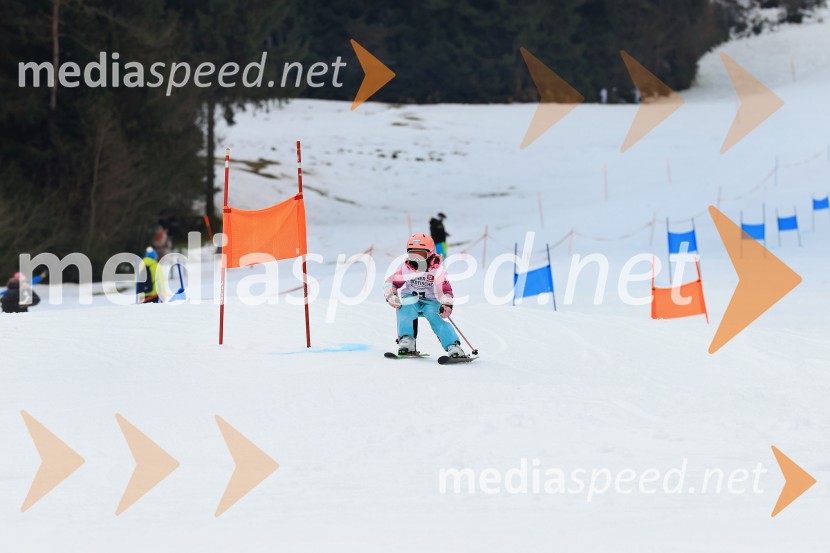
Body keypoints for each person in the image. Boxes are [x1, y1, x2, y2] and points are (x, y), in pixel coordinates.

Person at [384, 234, 467, 358]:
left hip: (431, 302)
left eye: (421, 254)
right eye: (413, 254)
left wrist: (446, 304)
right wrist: (391, 295)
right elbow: (392, 282)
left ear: (430, 253)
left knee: (436, 319)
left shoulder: (437, 270)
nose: (416, 258)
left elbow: (446, 291)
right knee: (404, 309)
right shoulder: (406, 268)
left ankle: (453, 346)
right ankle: (407, 341)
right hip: (411, 298)